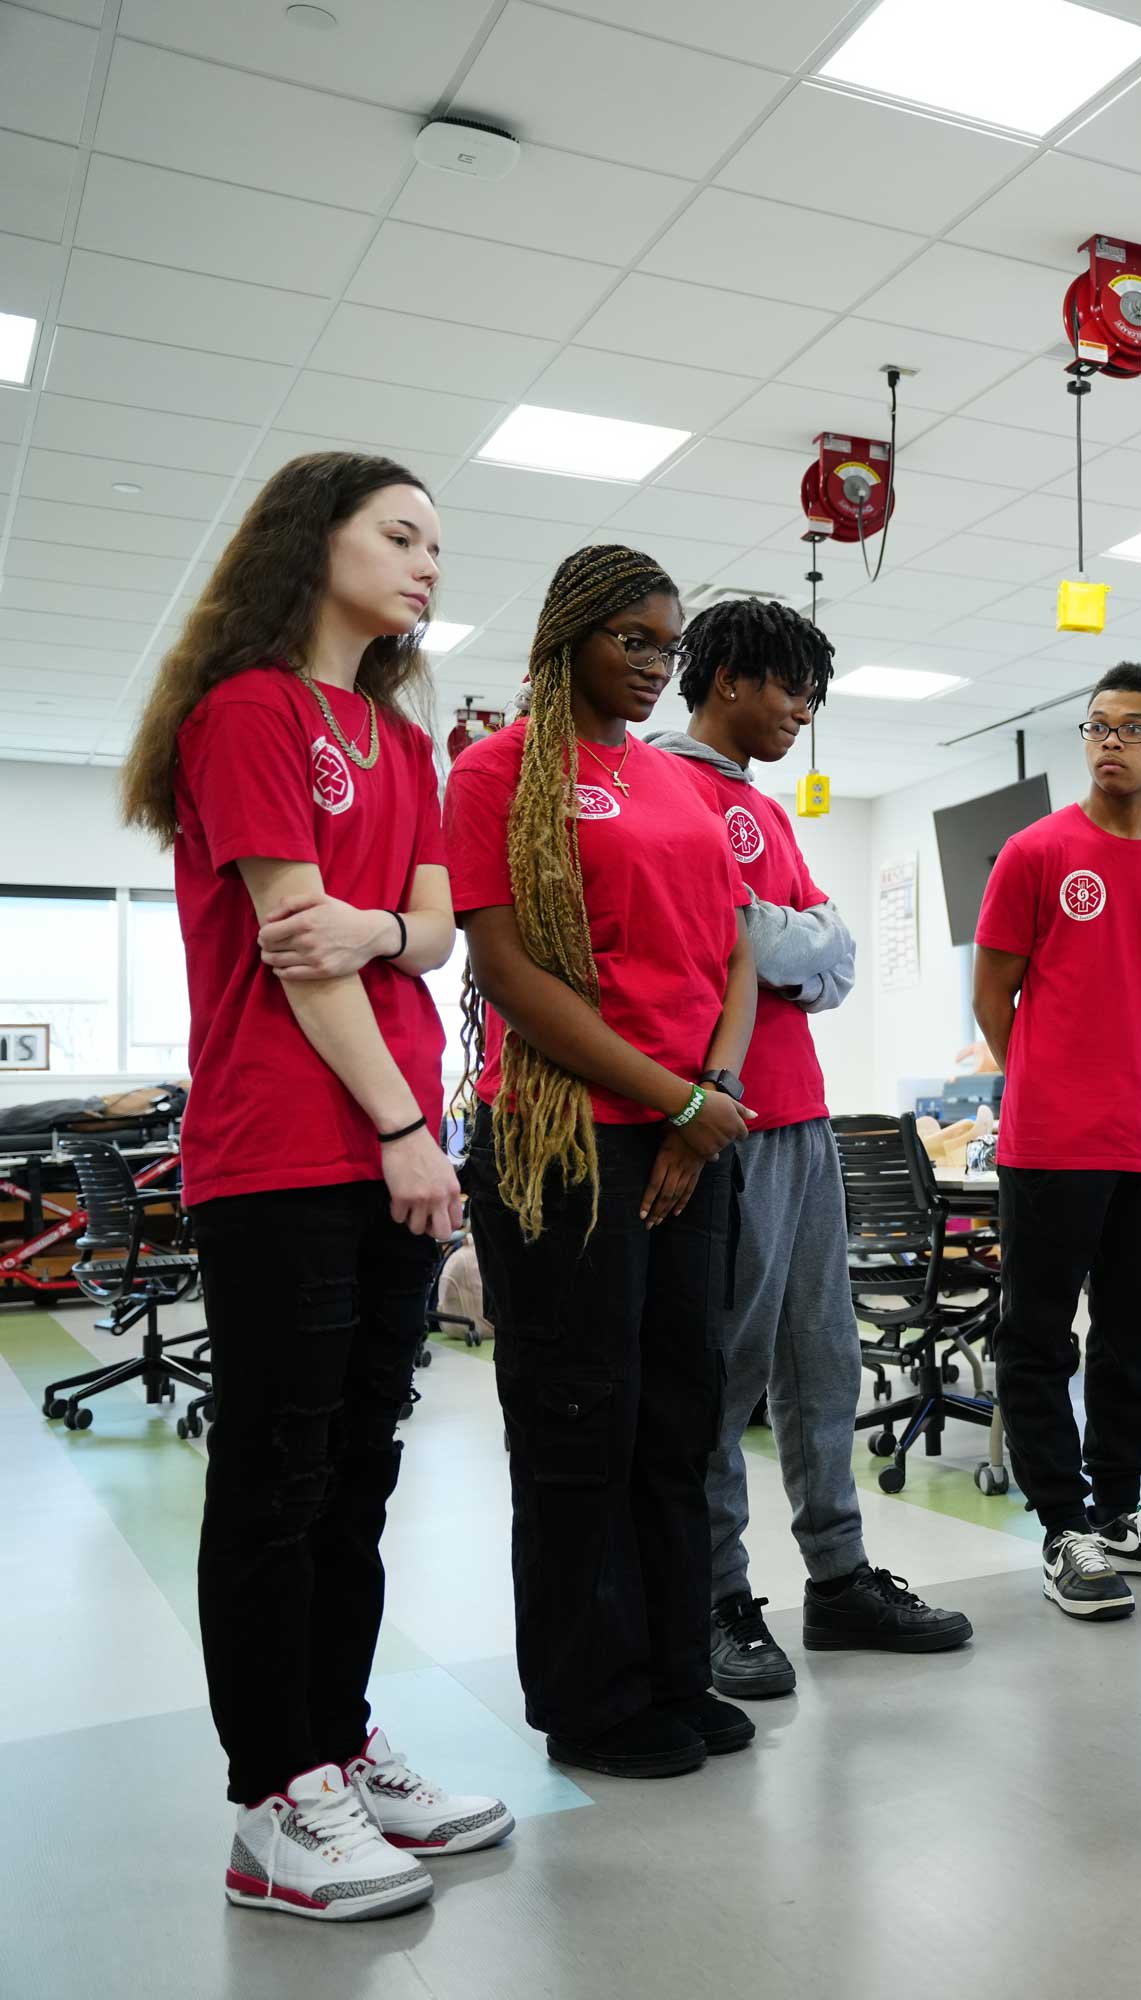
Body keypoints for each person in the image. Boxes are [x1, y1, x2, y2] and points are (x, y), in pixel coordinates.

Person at [119, 450, 509, 1921]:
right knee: (277, 1477)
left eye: (434, 545)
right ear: (312, 541)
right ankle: (269, 1802)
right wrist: (411, 1124)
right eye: (399, 535)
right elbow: (298, 949)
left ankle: (336, 1747)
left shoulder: (400, 742)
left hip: (391, 1139)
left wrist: (385, 932)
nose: (425, 564)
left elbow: (429, 935)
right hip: (287, 1144)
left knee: (360, 1473)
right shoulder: (245, 714)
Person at [447, 547, 760, 1780]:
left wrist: (709, 1100)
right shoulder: (497, 772)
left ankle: (675, 1665)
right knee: (584, 1420)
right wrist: (674, 1097)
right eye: (629, 637)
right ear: (568, 631)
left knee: (680, 1415)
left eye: (666, 645)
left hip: (692, 1133)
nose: (650, 663)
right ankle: (593, 1695)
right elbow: (509, 975)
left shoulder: (673, 781)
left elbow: (736, 945)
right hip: (565, 1145)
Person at [649, 600, 971, 1698]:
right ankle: (717, 1596)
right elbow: (728, 934)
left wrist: (787, 937)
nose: (802, 712)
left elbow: (829, 961)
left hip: (804, 1120)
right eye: (791, 690)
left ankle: (836, 1579)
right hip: (721, 1120)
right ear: (730, 677)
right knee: (725, 1373)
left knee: (823, 1363)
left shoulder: (763, 808)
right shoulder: (663, 787)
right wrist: (788, 937)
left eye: (814, 697)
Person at [972, 663, 1141, 1621]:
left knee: (1133, 1339)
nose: (1110, 741)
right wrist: (1044, 1077)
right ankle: (1063, 1527)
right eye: (1097, 726)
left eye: (1132, 727)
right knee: (1037, 1336)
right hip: (1053, 1138)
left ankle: (1119, 1511)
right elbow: (994, 995)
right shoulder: (1035, 853)